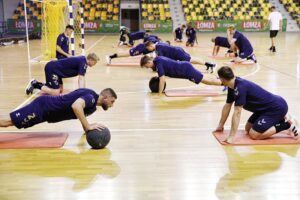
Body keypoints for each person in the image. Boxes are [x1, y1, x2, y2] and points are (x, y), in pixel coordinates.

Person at [214, 66, 299, 144]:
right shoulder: (232, 86)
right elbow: (227, 105)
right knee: (248, 129)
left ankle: (286, 125)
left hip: (276, 108)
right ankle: (279, 119)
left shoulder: (240, 88)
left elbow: (237, 113)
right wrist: (220, 125)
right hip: (264, 110)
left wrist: (231, 136)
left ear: (222, 79)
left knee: (254, 134)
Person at [0, 88, 117, 133]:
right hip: (43, 107)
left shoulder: (92, 105)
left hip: (46, 112)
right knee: (9, 122)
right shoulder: (91, 98)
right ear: (105, 98)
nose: (112, 105)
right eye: (112, 101)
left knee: (11, 121)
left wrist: (86, 130)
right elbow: (76, 106)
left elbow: (79, 111)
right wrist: (88, 126)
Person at [140, 56, 222, 95]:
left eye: (147, 66)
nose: (148, 68)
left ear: (148, 62)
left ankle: (225, 83)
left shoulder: (158, 63)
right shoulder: (157, 59)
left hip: (186, 70)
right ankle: (220, 79)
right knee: (203, 77)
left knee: (206, 81)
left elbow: (162, 79)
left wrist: (159, 93)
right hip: (185, 67)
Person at [25, 53, 100, 96]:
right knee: (56, 93)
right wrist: (82, 92)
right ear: (91, 60)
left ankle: (46, 85)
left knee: (60, 90)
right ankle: (35, 84)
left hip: (58, 73)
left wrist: (84, 90)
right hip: (52, 69)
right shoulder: (83, 62)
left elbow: (82, 78)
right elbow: (81, 79)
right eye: (95, 62)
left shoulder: (83, 62)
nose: (95, 64)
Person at [144, 41, 216, 73]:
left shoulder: (158, 48)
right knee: (192, 59)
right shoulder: (158, 44)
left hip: (177, 53)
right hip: (177, 51)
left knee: (191, 60)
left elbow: (161, 59)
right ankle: (208, 64)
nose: (148, 50)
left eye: (148, 49)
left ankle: (209, 64)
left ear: (150, 46)